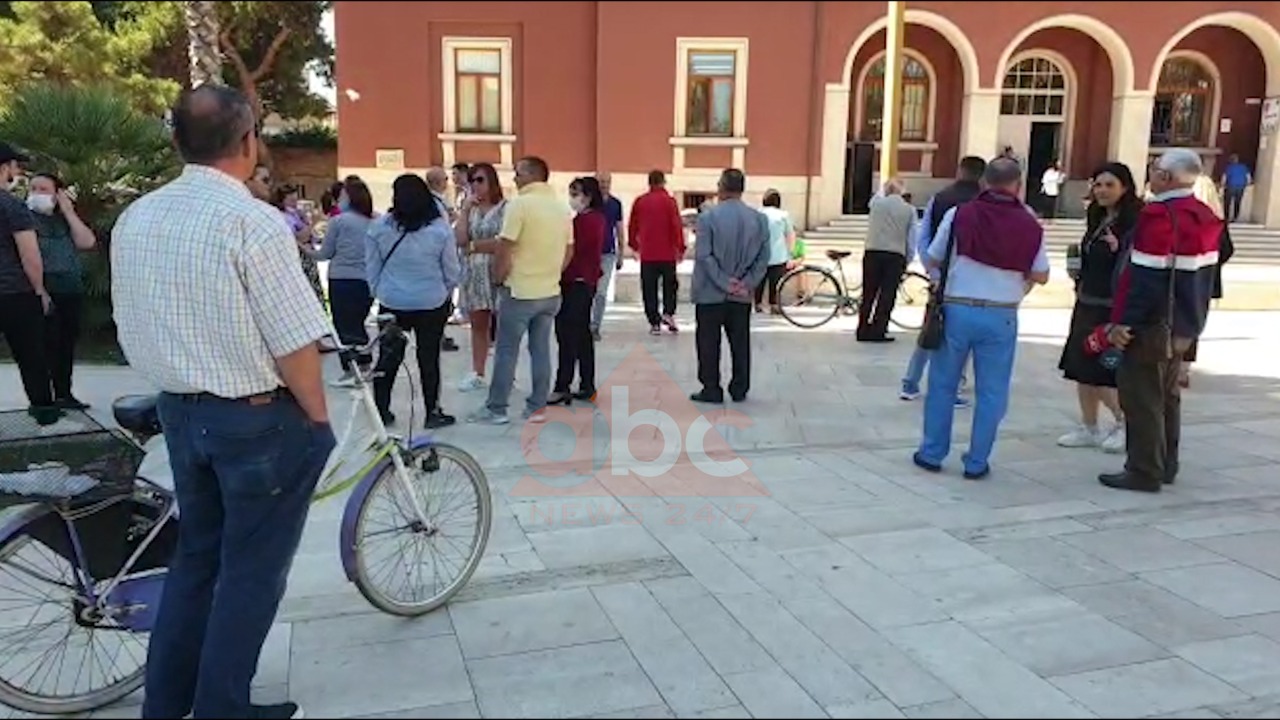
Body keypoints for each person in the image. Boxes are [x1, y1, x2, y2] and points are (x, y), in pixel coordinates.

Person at [111, 85, 333, 720]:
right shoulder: (252, 222)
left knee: (196, 561)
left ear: (178, 142)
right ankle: (221, 708)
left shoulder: (139, 216)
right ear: (247, 141)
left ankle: (170, 704)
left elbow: (131, 323)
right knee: (250, 573)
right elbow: (296, 342)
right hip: (255, 420)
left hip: (182, 413)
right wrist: (317, 420)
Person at [913, 157, 1050, 479]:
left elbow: (932, 256)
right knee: (992, 391)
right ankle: (976, 461)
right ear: (1018, 184)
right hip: (1002, 312)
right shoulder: (1030, 222)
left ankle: (932, 452)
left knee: (943, 384)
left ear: (984, 183)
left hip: (957, 307)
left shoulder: (960, 214)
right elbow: (1042, 273)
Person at [1100, 149, 1221, 493]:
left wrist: (1125, 323)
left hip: (1151, 324)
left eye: (1154, 168)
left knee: (1140, 397)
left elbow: (1146, 277)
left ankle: (1143, 469)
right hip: (1182, 323)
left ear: (1166, 177)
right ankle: (1166, 463)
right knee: (1167, 397)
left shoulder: (1159, 215)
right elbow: (1207, 273)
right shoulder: (1203, 214)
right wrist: (1191, 326)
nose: (1150, 173)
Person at [468, 156, 572, 425]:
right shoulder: (561, 207)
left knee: (506, 351)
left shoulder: (520, 205)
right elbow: (570, 248)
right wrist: (553, 271)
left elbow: (505, 245)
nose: (514, 178)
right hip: (549, 291)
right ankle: (537, 407)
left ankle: (496, 408)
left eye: (518, 173)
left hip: (520, 290)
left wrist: (499, 276)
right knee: (541, 351)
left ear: (531, 175)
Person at [1056, 163, 1142, 453]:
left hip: (1112, 308)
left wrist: (1121, 249)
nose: (1102, 191)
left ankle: (1125, 423)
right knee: (1080, 366)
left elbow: (1138, 265)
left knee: (1105, 370)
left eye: (1110, 185)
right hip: (1087, 300)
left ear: (1125, 188)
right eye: (1098, 185)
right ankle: (1089, 426)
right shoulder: (1097, 218)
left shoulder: (1134, 224)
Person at [366, 174, 461, 429]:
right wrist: (445, 294)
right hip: (431, 302)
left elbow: (372, 268)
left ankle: (381, 410)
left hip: (393, 302)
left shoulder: (380, 228)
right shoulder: (440, 230)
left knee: (388, 358)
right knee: (429, 359)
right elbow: (451, 271)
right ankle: (432, 412)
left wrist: (381, 292)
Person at [900, 156, 986, 405]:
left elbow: (923, 237)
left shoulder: (939, 198)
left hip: (942, 275)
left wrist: (933, 271)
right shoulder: (983, 203)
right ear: (982, 175)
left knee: (931, 329)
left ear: (960, 170)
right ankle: (954, 386)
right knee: (962, 337)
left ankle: (911, 382)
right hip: (970, 279)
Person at [690, 169, 770, 404]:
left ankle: (711, 387)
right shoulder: (758, 219)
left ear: (721, 187)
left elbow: (705, 256)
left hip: (710, 293)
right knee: (740, 341)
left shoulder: (708, 218)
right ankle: (740, 387)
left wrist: (725, 282)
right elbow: (764, 257)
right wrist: (746, 283)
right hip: (742, 293)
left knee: (708, 341)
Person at [28, 172, 97, 409]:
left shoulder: (63, 220)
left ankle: (63, 393)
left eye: (43, 189)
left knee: (65, 343)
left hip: (70, 288)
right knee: (45, 344)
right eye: (33, 188)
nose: (37, 194)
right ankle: (43, 397)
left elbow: (87, 242)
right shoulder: (24, 219)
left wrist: (69, 212)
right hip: (42, 288)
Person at [0, 142, 58, 423]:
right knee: (31, 356)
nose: (17, 171)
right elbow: (29, 254)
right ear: (4, 168)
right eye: (14, 165)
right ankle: (44, 414)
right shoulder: (12, 206)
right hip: (14, 293)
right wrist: (40, 290)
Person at [310, 176, 376, 384]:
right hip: (366, 280)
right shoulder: (374, 221)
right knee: (358, 324)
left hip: (342, 279)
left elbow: (325, 253)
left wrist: (303, 248)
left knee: (344, 327)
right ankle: (365, 364)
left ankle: (351, 370)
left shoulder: (338, 221)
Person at [549, 176, 607, 405]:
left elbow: (572, 249)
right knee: (582, 335)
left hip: (577, 281)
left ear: (588, 196)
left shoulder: (586, 222)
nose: (572, 199)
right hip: (583, 281)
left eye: (576, 194)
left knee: (567, 333)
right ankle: (587, 384)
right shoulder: (592, 219)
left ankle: (563, 385)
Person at [455, 162, 506, 392]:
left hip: (498, 270)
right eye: (472, 180)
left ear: (492, 182)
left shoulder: (506, 208)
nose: (475, 185)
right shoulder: (471, 209)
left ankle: (506, 373)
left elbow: (503, 243)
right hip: (474, 273)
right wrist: (464, 210)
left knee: (505, 325)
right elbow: (459, 239)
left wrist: (475, 245)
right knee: (478, 324)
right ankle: (478, 371)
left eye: (480, 180)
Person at [858, 178, 916, 341]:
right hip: (895, 254)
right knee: (887, 295)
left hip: (872, 252)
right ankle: (878, 330)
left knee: (868, 293)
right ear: (902, 191)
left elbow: (877, 196)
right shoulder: (909, 210)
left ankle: (862, 329)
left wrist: (884, 188)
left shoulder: (875, 205)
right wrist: (908, 258)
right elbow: (911, 238)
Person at [629, 169, 685, 335]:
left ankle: (654, 322)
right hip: (667, 253)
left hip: (648, 253)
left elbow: (633, 225)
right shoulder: (670, 202)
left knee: (649, 288)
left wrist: (634, 245)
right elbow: (676, 225)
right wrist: (680, 247)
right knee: (670, 285)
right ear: (663, 182)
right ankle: (668, 313)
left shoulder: (640, 201)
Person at [424, 165, 462, 352]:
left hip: (433, 257)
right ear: (440, 182)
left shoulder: (432, 202)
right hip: (440, 257)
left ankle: (439, 332)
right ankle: (438, 333)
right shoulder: (436, 204)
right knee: (442, 297)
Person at [273, 184, 326, 307]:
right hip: (299, 257)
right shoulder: (284, 217)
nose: (294, 203)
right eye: (291, 200)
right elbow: (299, 237)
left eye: (295, 199)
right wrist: (313, 223)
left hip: (308, 256)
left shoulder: (297, 214)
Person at [590, 171, 626, 341]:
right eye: (601, 181)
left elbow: (619, 229)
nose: (604, 185)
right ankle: (585, 323)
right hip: (589, 252)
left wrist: (621, 253)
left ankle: (595, 326)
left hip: (607, 253)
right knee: (588, 290)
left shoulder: (615, 204)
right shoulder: (588, 203)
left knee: (601, 292)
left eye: (607, 181)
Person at [754, 189, 796, 315]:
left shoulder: (757, 213)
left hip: (760, 254)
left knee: (759, 281)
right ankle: (774, 305)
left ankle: (758, 304)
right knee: (776, 282)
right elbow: (790, 235)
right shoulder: (783, 215)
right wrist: (790, 254)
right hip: (778, 255)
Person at [1219, 153, 1252, 223]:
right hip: (1240, 187)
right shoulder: (1243, 167)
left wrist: (1222, 185)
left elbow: (1224, 177)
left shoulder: (1229, 167)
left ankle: (1226, 217)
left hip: (1231, 186)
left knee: (1227, 202)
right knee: (1237, 202)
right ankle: (1235, 217)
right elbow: (1248, 177)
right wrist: (1248, 184)